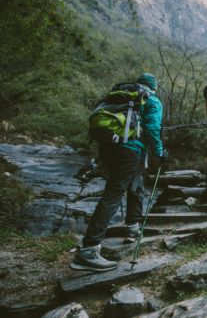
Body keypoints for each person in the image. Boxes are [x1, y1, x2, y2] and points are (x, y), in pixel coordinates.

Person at [70, 73, 166, 272]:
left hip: (110, 147)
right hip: (130, 150)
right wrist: (159, 152)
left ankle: (132, 227)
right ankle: (88, 251)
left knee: (135, 185)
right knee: (113, 194)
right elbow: (152, 128)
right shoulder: (151, 100)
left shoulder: (121, 96)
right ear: (153, 87)